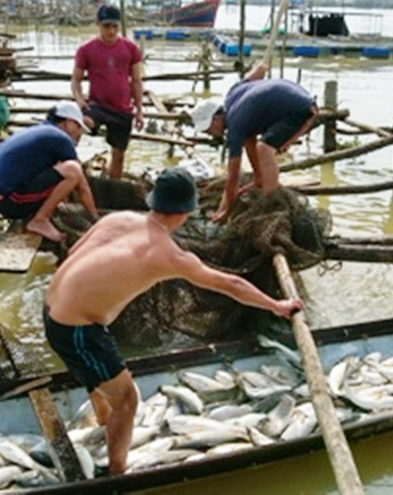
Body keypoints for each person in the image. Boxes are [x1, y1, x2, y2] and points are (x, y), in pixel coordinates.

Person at [44, 167, 303, 475]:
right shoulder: (168, 254)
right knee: (128, 400)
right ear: (186, 212)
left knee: (98, 369)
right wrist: (276, 305)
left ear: (153, 201)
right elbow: (230, 285)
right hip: (75, 329)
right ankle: (116, 473)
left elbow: (75, 252)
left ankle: (103, 420)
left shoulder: (117, 219)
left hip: (51, 308)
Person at [190, 62, 318, 222]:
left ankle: (268, 203)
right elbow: (259, 71)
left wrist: (226, 211)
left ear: (216, 119)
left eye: (208, 129)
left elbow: (233, 178)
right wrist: (263, 67)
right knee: (251, 140)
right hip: (300, 96)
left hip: (302, 110)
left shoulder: (235, 125)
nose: (210, 134)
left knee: (264, 148)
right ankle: (261, 179)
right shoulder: (232, 95)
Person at [0, 101, 99, 242]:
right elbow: (82, 186)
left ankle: (43, 213)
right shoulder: (61, 139)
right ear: (69, 122)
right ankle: (40, 219)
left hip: (1, 199)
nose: (78, 134)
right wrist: (95, 219)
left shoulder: (42, 131)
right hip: (11, 202)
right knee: (73, 169)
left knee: (66, 169)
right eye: (78, 127)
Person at [71, 4, 145, 180]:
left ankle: (114, 189)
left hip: (122, 108)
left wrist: (140, 110)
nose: (111, 31)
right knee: (78, 128)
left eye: (115, 27)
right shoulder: (86, 49)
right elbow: (76, 80)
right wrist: (79, 99)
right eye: (106, 26)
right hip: (97, 105)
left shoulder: (131, 48)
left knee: (118, 156)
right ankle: (71, 171)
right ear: (97, 24)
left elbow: (136, 81)